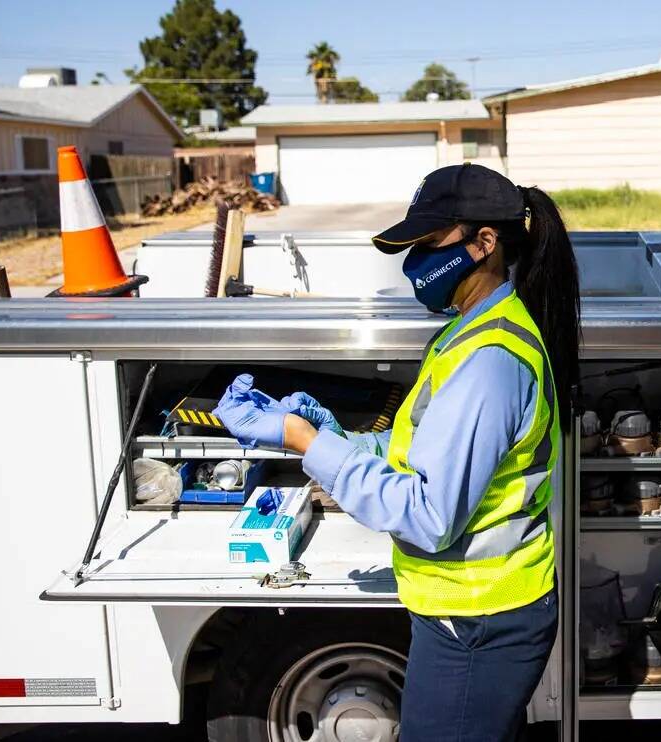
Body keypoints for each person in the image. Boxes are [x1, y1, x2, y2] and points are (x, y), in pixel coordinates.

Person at [213, 163, 581, 742]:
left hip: (479, 620)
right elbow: (420, 448)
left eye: (428, 243)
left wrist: (304, 443)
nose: (414, 261)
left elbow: (429, 515)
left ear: (485, 244)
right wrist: (334, 434)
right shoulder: (470, 331)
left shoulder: (489, 361)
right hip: (468, 614)